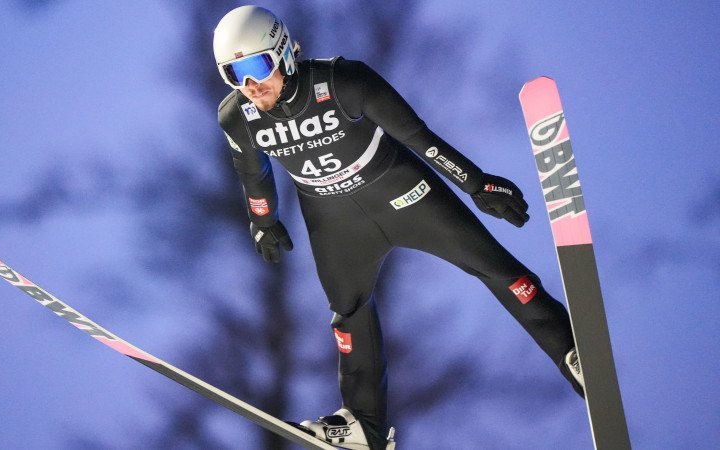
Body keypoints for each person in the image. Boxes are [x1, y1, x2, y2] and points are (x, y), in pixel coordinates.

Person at [213, 5, 584, 449]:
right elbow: (253, 174)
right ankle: (363, 427)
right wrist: (263, 222)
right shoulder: (237, 115)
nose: (251, 86)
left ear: (284, 53)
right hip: (336, 224)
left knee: (493, 266)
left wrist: (476, 183)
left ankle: (571, 351)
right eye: (234, 74)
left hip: (405, 195)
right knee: (348, 313)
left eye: (256, 66)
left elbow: (416, 135)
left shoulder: (342, 81)